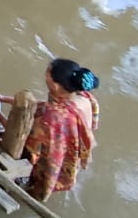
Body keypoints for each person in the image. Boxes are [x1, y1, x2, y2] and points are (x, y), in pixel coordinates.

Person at [23, 58, 100, 200]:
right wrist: (4, 99)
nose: (45, 76)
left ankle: (35, 195)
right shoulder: (86, 97)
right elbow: (91, 124)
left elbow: (29, 143)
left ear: (56, 86)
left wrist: (0, 117)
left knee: (40, 183)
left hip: (56, 159)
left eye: (48, 74)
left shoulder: (55, 117)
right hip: (74, 153)